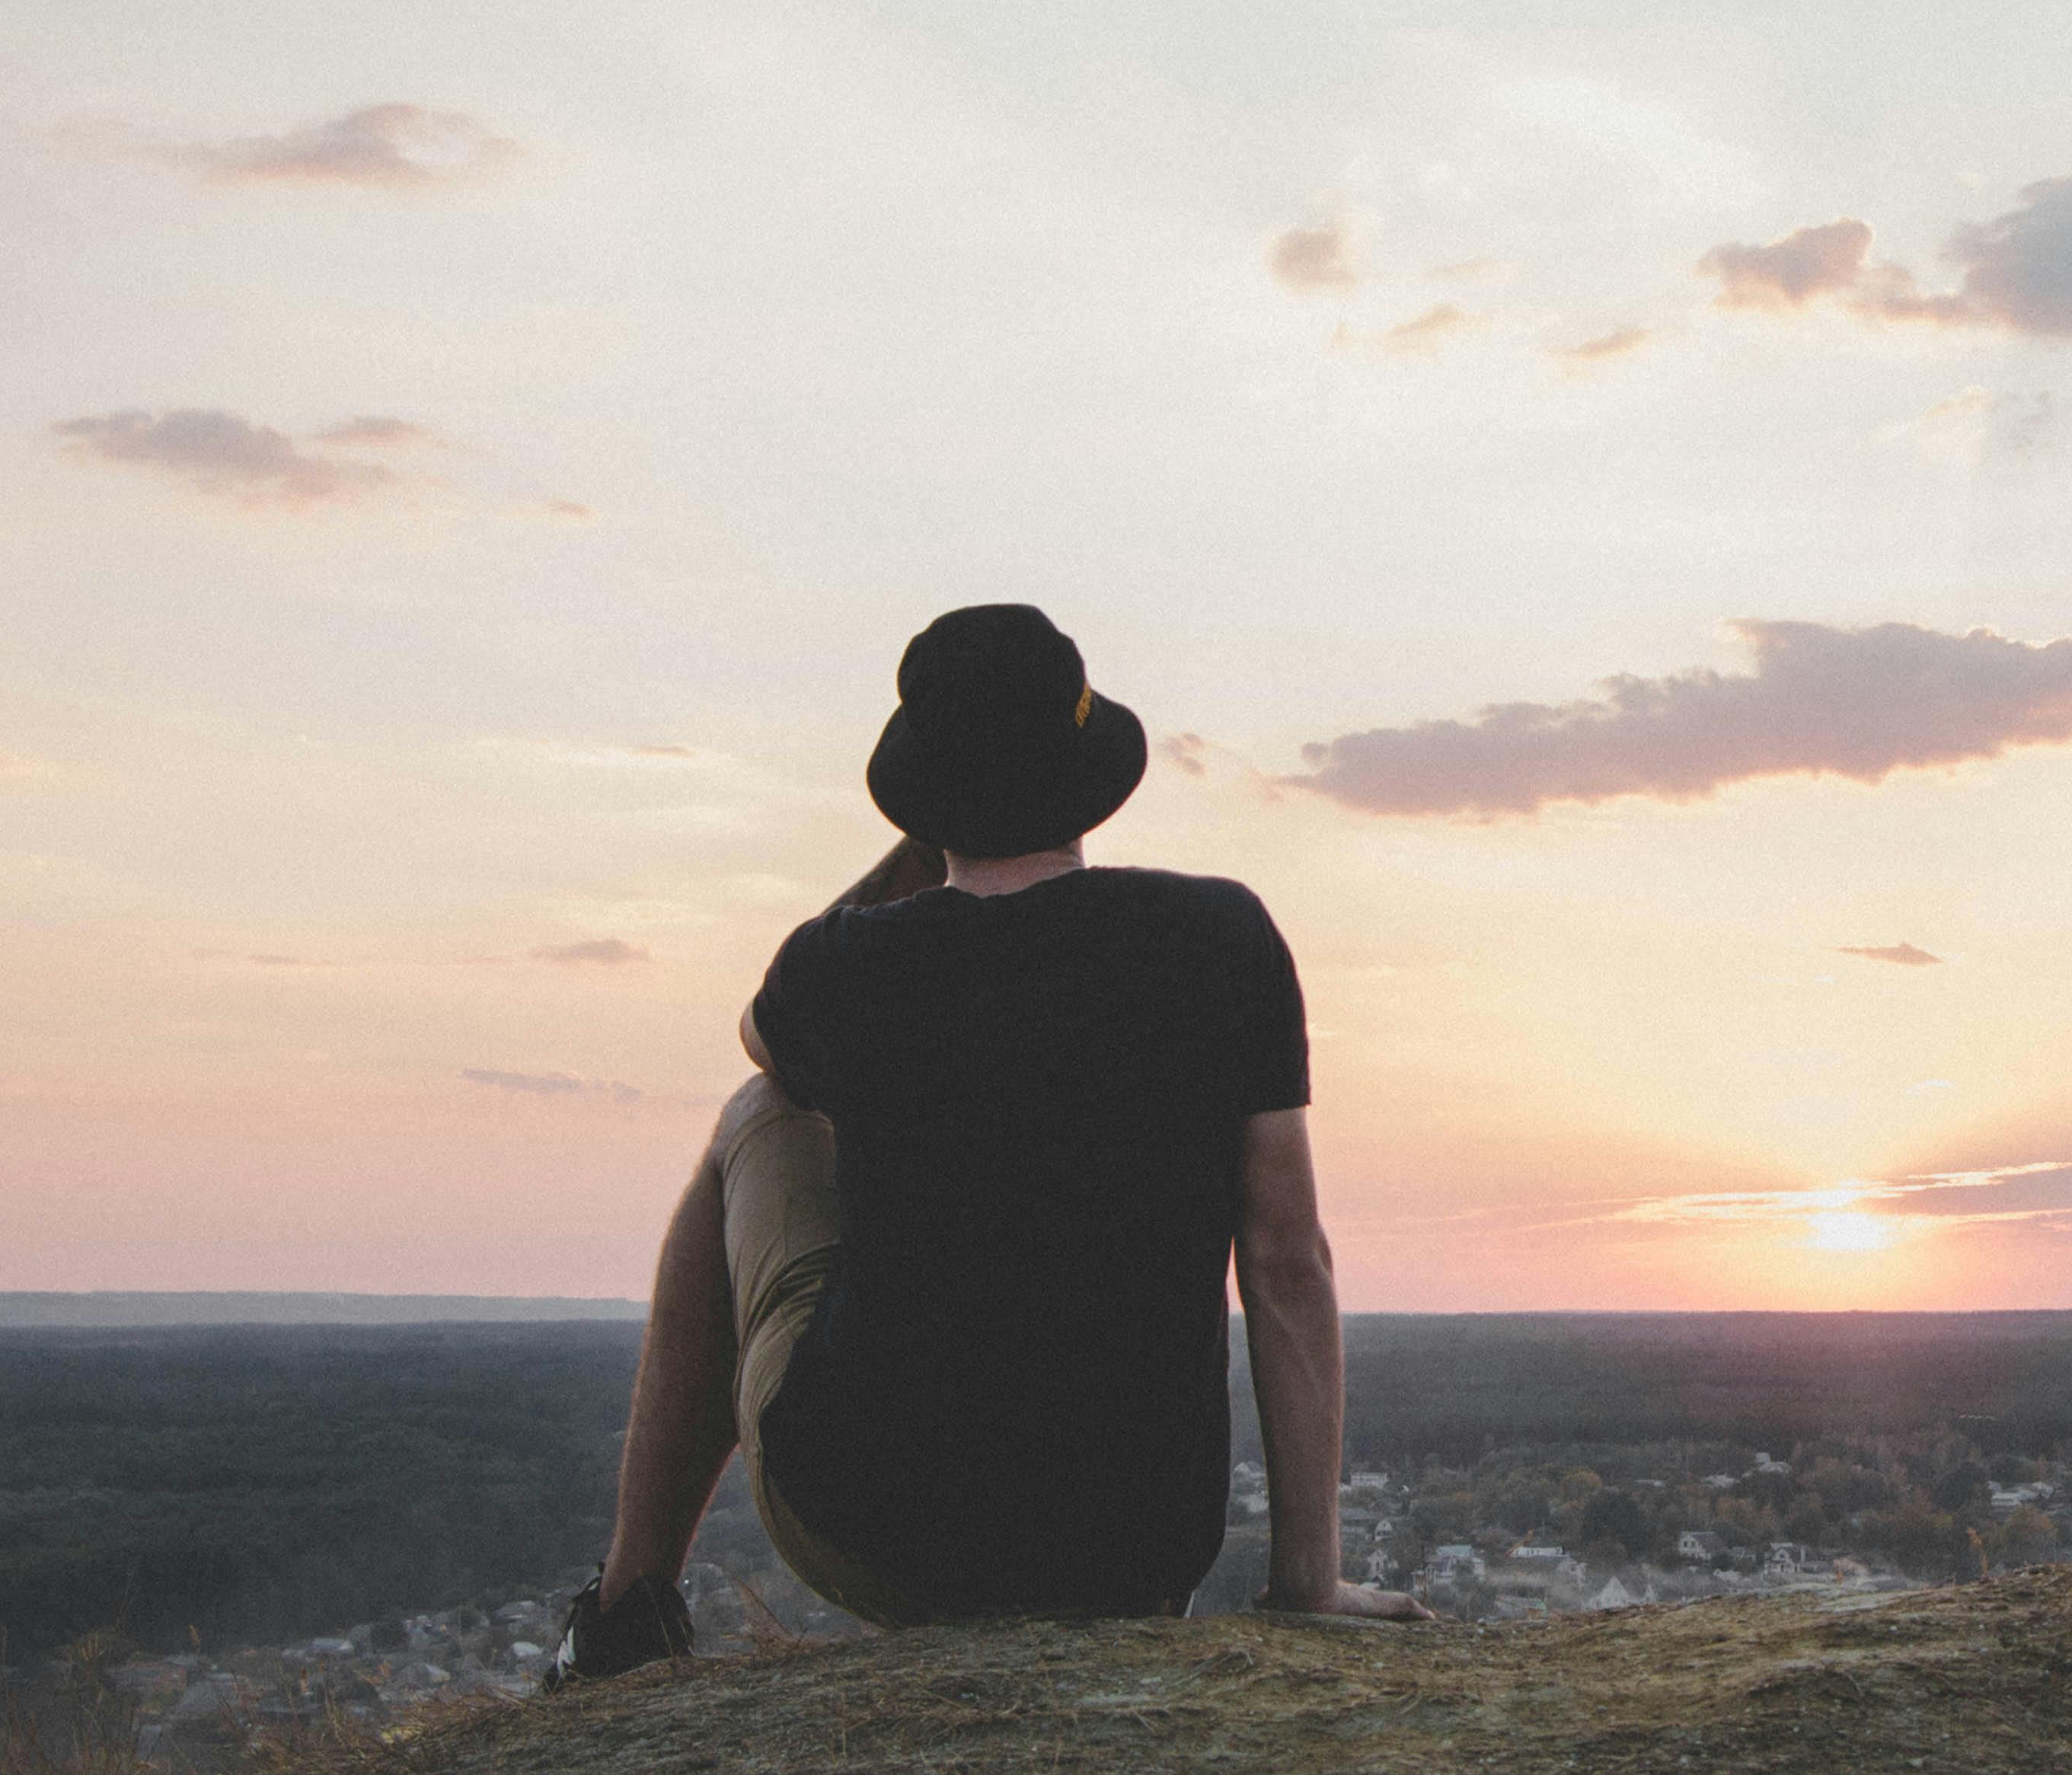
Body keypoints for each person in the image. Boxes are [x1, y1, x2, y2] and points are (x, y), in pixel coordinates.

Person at [551, 602, 1429, 1680]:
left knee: (756, 1114)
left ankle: (629, 1607)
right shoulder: (1222, 940)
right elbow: (1289, 1261)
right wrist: (1308, 1581)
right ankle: (1282, 1568)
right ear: (1089, 769)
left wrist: (926, 842)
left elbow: (760, 1035)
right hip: (1132, 1558)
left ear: (923, 800)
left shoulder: (849, 966)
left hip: (878, 1534)